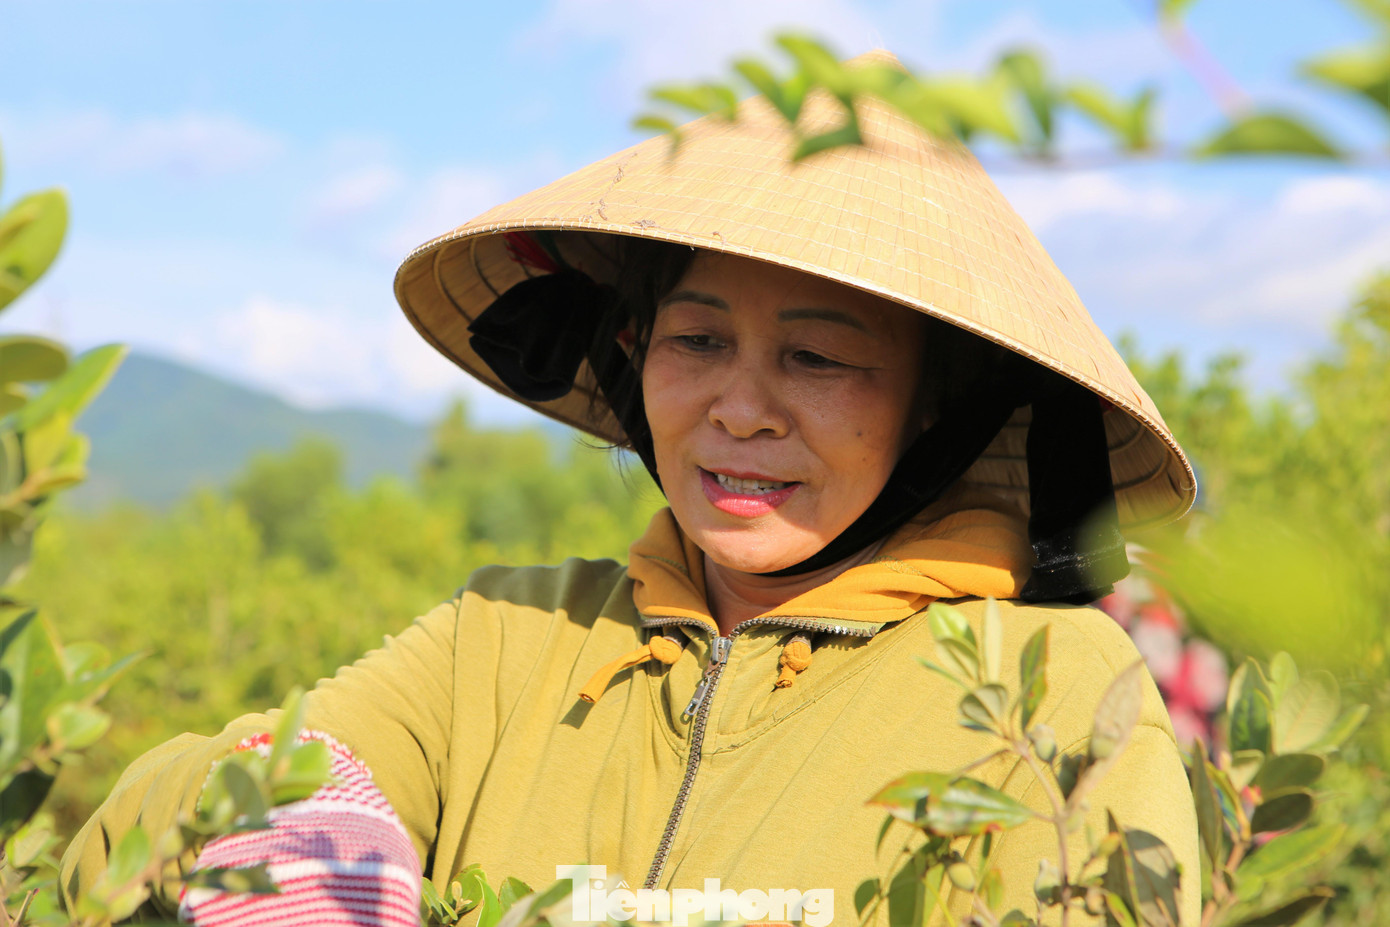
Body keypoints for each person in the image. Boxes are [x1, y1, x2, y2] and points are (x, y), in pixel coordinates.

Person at [61, 50, 1200, 925]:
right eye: (696, 339)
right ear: (633, 353)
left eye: (816, 358)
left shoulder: (1043, 687)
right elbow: (176, 805)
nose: (739, 408)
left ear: (935, 413)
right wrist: (304, 826)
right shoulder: (507, 641)